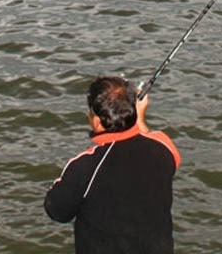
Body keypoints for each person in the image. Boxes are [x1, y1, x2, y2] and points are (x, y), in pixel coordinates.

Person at [45, 75, 181, 254]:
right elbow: (159, 147)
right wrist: (139, 120)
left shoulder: (84, 166)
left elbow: (57, 211)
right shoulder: (164, 148)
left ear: (97, 121)